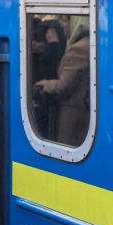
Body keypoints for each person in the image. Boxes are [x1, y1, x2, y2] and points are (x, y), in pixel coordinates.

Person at [34, 16, 90, 146]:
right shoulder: (87, 43)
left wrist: (47, 84)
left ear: (76, 23)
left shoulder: (78, 48)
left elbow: (63, 86)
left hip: (73, 115)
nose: (62, 25)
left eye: (65, 21)